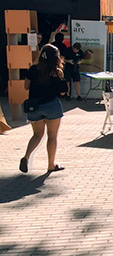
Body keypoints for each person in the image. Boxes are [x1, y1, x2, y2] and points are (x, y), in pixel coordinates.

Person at [19, 44, 68, 173]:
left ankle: (26, 156)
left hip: (34, 107)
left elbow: (26, 87)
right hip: (51, 106)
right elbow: (63, 92)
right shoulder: (56, 71)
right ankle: (51, 165)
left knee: (37, 135)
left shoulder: (33, 69)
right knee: (52, 136)